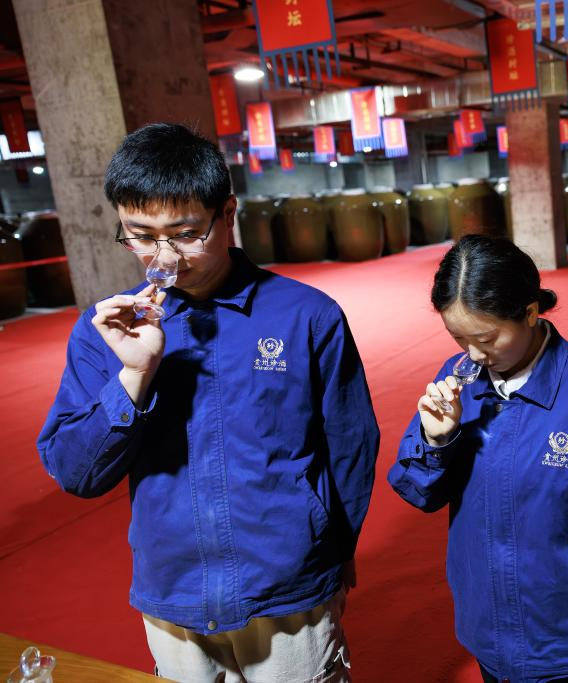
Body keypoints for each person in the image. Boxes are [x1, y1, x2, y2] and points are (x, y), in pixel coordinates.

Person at [37, 123, 379, 682]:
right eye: (141, 235)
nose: (164, 256)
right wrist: (134, 374)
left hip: (285, 584)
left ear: (228, 214)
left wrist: (334, 554)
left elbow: (350, 446)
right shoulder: (107, 331)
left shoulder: (305, 315)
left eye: (185, 233)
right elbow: (77, 472)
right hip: (172, 587)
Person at [388, 235, 568, 683]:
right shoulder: (457, 381)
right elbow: (419, 492)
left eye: (487, 338)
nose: (474, 355)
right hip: (488, 625)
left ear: (530, 312)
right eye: (458, 338)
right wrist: (437, 440)